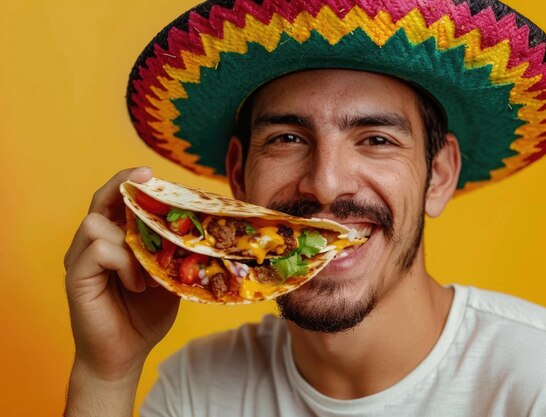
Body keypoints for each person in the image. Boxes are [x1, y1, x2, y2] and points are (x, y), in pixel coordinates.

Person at [63, 1, 546, 416]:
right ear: (238, 176)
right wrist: (106, 376)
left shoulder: (532, 378)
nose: (326, 184)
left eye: (376, 139)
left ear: (438, 175)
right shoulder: (198, 387)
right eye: (287, 138)